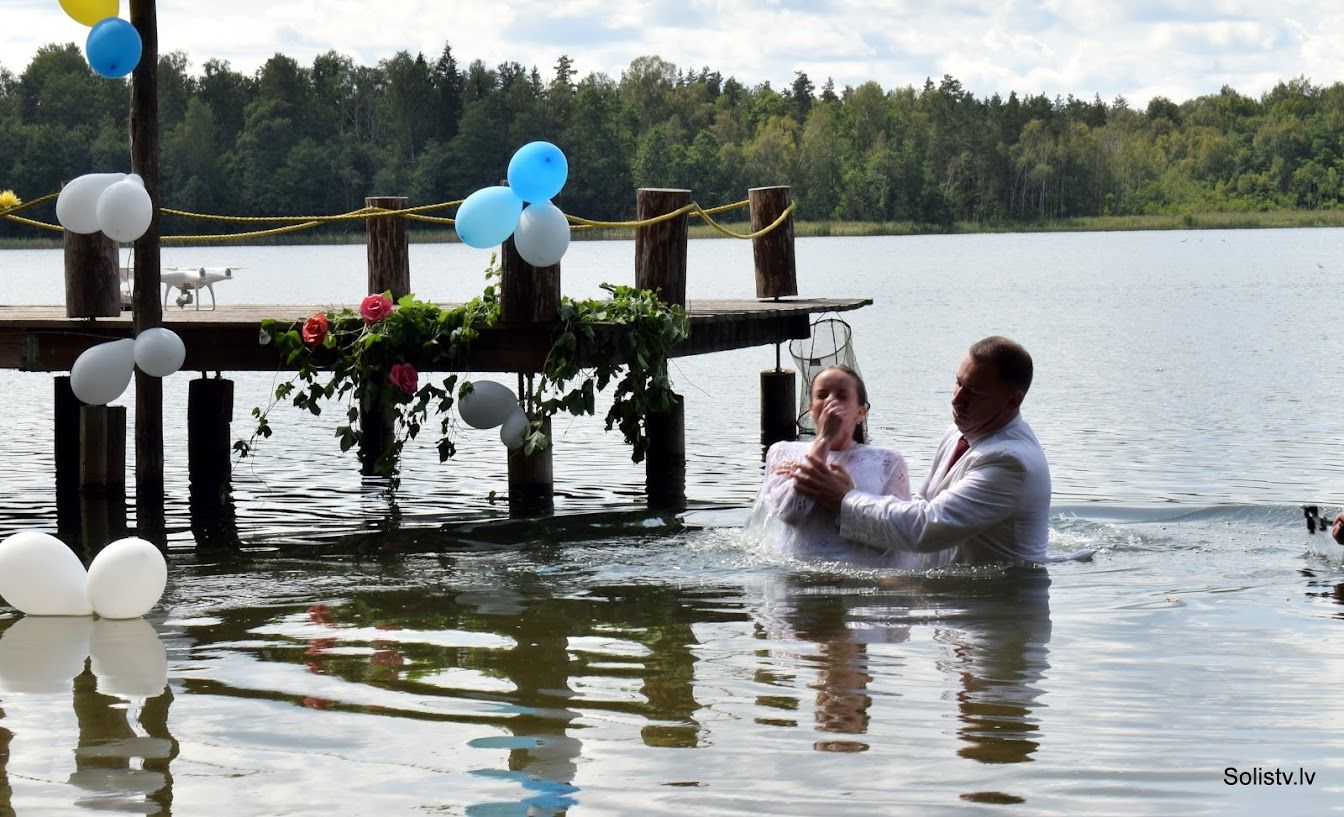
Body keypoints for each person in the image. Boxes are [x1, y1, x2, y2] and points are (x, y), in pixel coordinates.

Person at [793, 336, 1051, 565]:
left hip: (997, 601)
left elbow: (927, 527)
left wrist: (844, 499)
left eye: (973, 391)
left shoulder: (1011, 461)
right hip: (949, 591)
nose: (957, 399)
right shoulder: (958, 432)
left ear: (1013, 400)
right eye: (959, 383)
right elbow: (921, 504)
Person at [748, 366, 918, 568]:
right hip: (796, 573)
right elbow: (790, 514)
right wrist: (823, 442)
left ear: (860, 413)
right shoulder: (783, 452)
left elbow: (897, 536)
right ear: (812, 410)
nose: (831, 402)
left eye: (842, 396)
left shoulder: (887, 461)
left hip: (857, 575)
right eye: (822, 395)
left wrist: (847, 496)